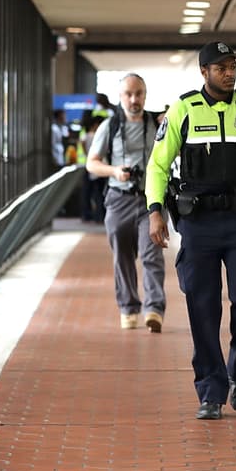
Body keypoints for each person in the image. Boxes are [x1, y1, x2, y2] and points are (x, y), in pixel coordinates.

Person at [145, 42, 236, 420]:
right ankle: (210, 389)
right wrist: (155, 211)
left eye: (232, 66)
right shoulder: (184, 109)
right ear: (204, 71)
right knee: (202, 308)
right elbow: (157, 166)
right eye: (221, 67)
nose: (229, 72)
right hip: (199, 223)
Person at [86, 73, 164, 331]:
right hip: (118, 198)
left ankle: (154, 309)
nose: (134, 99)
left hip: (149, 200)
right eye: (128, 94)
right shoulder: (110, 126)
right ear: (120, 97)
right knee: (123, 256)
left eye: (138, 93)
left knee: (152, 252)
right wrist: (115, 171)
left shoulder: (156, 123)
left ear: (145, 94)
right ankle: (129, 307)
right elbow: (92, 163)